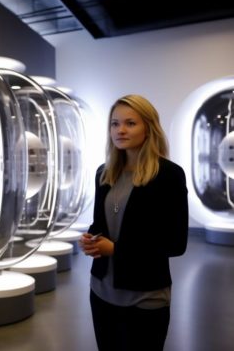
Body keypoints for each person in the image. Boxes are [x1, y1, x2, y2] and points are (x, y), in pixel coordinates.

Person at [79, 94, 188, 351]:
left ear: (149, 128)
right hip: (102, 291)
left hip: (146, 295)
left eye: (130, 123)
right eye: (115, 124)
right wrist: (91, 238)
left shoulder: (169, 175)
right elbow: (101, 225)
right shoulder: (103, 173)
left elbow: (175, 244)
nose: (121, 130)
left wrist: (116, 249)